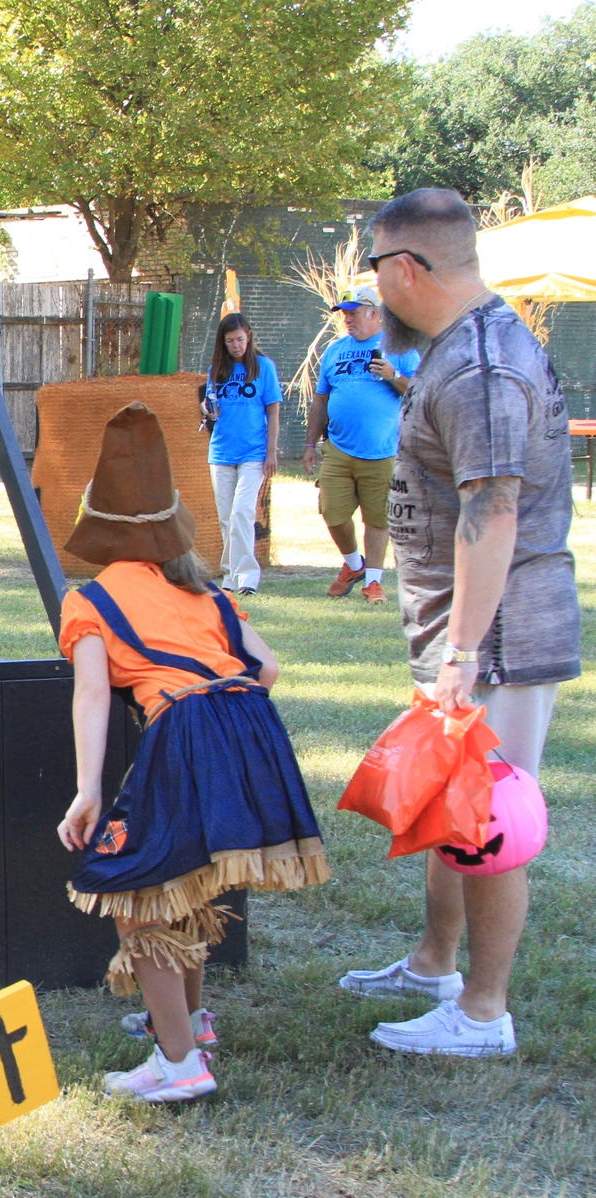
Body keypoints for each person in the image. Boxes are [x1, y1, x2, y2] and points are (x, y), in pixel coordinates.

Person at [338, 188, 579, 1057]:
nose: (371, 290)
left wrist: (466, 651)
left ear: (406, 269)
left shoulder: (479, 368)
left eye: (373, 268)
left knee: (488, 818)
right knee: (451, 797)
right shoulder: (462, 347)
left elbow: (495, 507)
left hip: (500, 628)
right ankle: (436, 963)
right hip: (465, 628)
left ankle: (482, 1012)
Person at [57, 403, 327, 1103]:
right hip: (249, 722)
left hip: (187, 728)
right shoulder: (203, 592)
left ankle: (177, 1062)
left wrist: (88, 789)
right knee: (191, 880)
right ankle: (188, 1020)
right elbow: (264, 669)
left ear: (100, 531)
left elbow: (91, 694)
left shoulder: (88, 600)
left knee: (132, 887)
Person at [304, 287, 420, 604]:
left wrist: (393, 375)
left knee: (377, 519)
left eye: (353, 312)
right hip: (338, 447)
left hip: (383, 449)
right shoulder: (334, 350)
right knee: (332, 512)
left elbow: (422, 393)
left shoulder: (400, 348)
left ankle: (373, 583)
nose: (347, 319)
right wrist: (310, 443)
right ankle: (355, 565)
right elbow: (321, 399)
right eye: (344, 313)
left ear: (373, 313)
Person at [203, 313, 282, 595]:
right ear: (222, 343)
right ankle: (229, 575)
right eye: (230, 341)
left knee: (242, 512)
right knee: (227, 517)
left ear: (248, 336)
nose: (236, 345)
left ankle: (247, 577)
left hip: (254, 452)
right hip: (222, 452)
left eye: (239, 339)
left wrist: (271, 452)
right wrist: (208, 410)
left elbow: (273, 410)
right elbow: (212, 406)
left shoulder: (264, 367)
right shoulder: (217, 369)